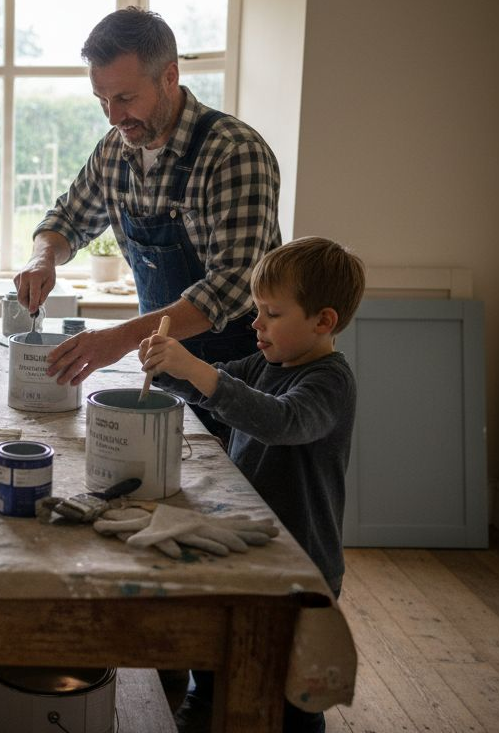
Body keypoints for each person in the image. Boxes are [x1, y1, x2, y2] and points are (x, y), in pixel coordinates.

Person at [14, 6, 281, 442]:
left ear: (169, 76)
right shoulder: (114, 151)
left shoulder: (234, 153)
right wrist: (43, 257)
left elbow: (231, 287)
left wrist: (118, 339)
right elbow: (68, 218)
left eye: (125, 98)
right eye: (102, 100)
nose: (113, 117)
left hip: (237, 378)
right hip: (163, 368)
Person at [137, 235, 366, 733]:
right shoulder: (268, 362)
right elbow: (217, 382)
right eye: (257, 310)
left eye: (271, 314)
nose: (256, 324)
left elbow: (280, 422)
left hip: (302, 561)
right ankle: (208, 700)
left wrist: (193, 368)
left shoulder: (329, 382)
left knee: (294, 696)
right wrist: (168, 366)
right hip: (254, 544)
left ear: (323, 321)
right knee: (229, 645)